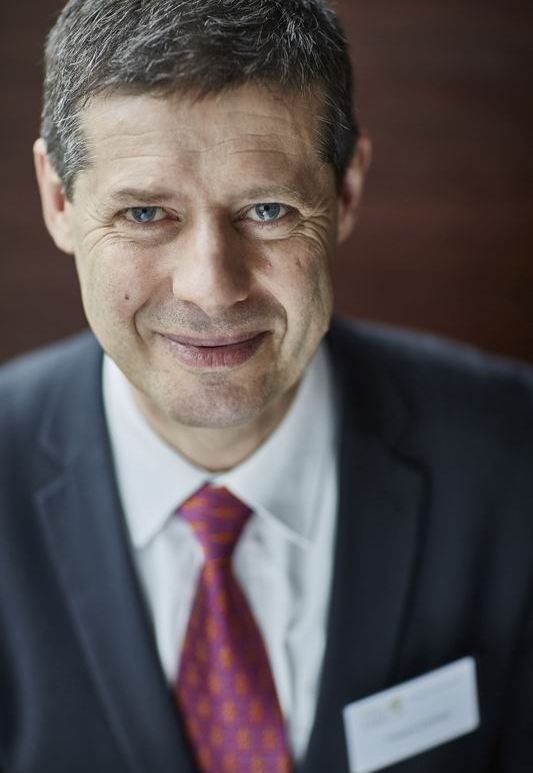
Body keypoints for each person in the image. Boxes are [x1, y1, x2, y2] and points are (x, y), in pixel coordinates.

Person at [1, 0, 532, 771]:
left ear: (346, 189)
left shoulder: (514, 459)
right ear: (59, 200)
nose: (212, 289)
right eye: (145, 213)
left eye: (266, 209)